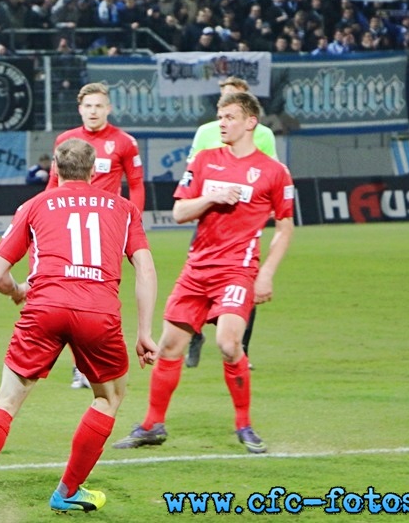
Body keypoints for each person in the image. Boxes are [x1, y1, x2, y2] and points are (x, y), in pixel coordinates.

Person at [0, 138, 158, 522]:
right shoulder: (124, 208)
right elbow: (145, 268)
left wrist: (17, 291)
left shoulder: (34, 205)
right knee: (108, 398)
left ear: (55, 172)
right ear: (95, 171)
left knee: (7, 399)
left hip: (44, 308)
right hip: (98, 311)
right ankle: (67, 491)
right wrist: (144, 331)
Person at [112, 91, 294, 454]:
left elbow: (285, 227)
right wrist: (213, 198)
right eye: (220, 117)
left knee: (229, 344)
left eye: (229, 117)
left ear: (250, 122)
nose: (221, 123)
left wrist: (267, 273)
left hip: (238, 271)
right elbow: (179, 213)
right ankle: (152, 425)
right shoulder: (205, 160)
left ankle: (244, 426)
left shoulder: (274, 171)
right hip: (197, 269)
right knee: (169, 346)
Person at [45, 82, 145, 389]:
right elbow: (53, 183)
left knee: (101, 294)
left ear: (108, 108)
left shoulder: (124, 142)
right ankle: (80, 366)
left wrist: (131, 222)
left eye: (99, 106)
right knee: (70, 292)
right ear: (80, 109)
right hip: (70, 230)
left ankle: (92, 362)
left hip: (107, 231)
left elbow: (137, 185)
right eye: (88, 106)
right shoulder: (65, 140)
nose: (93, 111)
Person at [185, 76, 278, 370]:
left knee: (244, 290)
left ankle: (242, 349)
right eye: (222, 100)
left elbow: (269, 173)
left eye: (232, 100)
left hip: (244, 230)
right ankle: (194, 337)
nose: (224, 114)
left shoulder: (263, 135)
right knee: (196, 285)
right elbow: (192, 170)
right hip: (210, 225)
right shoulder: (205, 133)